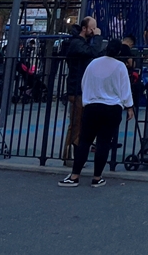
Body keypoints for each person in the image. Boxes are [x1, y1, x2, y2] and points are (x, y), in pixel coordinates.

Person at [58, 39, 134, 188]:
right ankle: (97, 177)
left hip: (92, 105)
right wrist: (129, 106)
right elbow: (125, 89)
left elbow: (84, 83)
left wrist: (87, 101)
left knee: (85, 141)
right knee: (104, 142)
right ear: (119, 52)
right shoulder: (120, 67)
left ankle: (74, 176)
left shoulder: (93, 63)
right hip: (112, 107)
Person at [62, 17, 104, 165]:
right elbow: (91, 53)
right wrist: (98, 37)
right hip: (77, 88)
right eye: (92, 28)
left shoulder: (80, 43)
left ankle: (71, 153)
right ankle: (71, 154)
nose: (94, 31)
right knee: (77, 122)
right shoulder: (76, 44)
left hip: (80, 87)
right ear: (84, 29)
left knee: (78, 121)